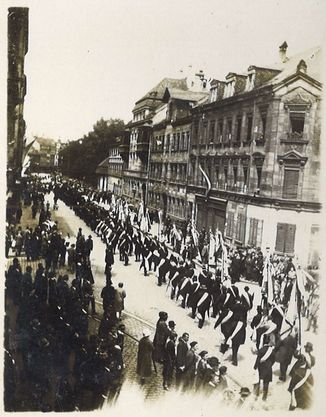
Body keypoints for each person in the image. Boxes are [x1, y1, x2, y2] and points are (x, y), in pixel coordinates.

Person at [253, 335, 275, 401]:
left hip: (260, 368)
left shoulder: (261, 350)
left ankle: (256, 394)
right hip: (268, 368)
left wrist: (255, 367)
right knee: (266, 383)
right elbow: (274, 360)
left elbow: (257, 360)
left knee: (257, 381)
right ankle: (264, 397)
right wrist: (270, 365)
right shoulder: (272, 351)